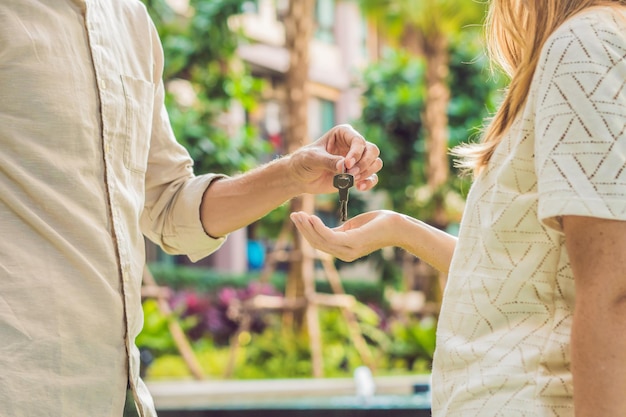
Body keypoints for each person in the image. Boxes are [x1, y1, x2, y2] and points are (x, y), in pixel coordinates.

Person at [0, 1, 382, 416]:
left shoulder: (129, 20)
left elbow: (167, 207)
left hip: (115, 394)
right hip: (20, 387)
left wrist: (292, 174)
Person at [291, 0, 626, 416]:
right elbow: (517, 272)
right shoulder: (581, 45)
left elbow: (613, 290)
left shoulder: (585, 42)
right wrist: (397, 229)